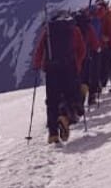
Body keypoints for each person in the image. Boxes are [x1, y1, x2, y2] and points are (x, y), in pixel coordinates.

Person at [32, 10, 86, 144]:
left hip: (51, 70)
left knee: (52, 101)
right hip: (69, 68)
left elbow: (40, 50)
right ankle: (65, 118)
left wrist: (38, 65)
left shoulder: (49, 31)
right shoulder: (73, 29)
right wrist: (77, 66)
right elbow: (81, 50)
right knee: (71, 97)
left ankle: (53, 134)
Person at [74, 9, 100, 108]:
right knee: (86, 79)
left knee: (75, 80)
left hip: (72, 60)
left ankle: (74, 104)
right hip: (85, 57)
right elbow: (95, 43)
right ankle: (87, 99)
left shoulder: (72, 28)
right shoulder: (88, 27)